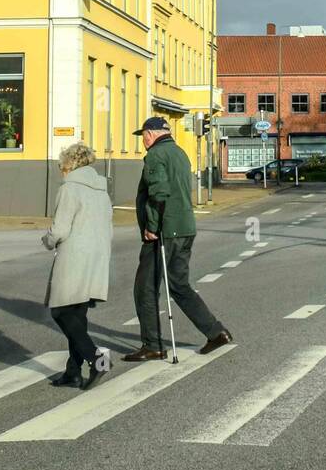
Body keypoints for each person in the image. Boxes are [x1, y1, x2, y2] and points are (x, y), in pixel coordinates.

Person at [124, 117, 232, 361]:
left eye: (143, 135)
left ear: (150, 134)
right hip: (185, 227)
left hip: (164, 231)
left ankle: (153, 345)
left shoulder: (155, 155)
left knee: (145, 289)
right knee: (180, 286)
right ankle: (216, 332)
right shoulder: (180, 153)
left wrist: (153, 227)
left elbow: (159, 193)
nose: (143, 140)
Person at [43, 142, 114, 390]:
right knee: (78, 314)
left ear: (69, 164)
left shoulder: (70, 188)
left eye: (62, 166)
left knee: (61, 312)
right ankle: (73, 371)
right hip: (97, 255)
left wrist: (48, 239)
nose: (62, 171)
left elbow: (61, 229)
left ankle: (97, 359)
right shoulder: (101, 189)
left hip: (75, 256)